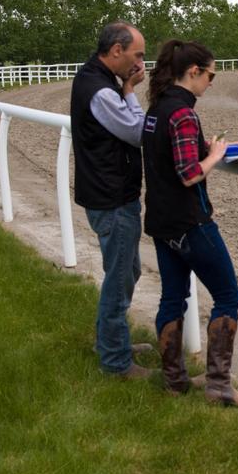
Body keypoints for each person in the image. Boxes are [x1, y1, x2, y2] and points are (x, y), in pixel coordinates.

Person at [142, 39, 238, 407]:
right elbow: (188, 173)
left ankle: (174, 381)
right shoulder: (182, 113)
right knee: (228, 296)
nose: (212, 82)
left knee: (172, 297)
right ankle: (219, 387)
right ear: (193, 72)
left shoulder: (158, 108)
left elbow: (178, 153)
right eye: (211, 75)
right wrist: (212, 155)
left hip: (162, 222)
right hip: (191, 223)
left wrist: (234, 147)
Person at [70, 21, 151, 380]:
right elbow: (137, 133)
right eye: (137, 55)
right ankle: (116, 362)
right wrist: (131, 92)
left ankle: (110, 342)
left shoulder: (96, 79)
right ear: (116, 51)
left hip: (108, 193)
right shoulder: (101, 90)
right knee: (120, 278)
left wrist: (127, 86)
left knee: (128, 271)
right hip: (112, 198)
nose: (139, 63)